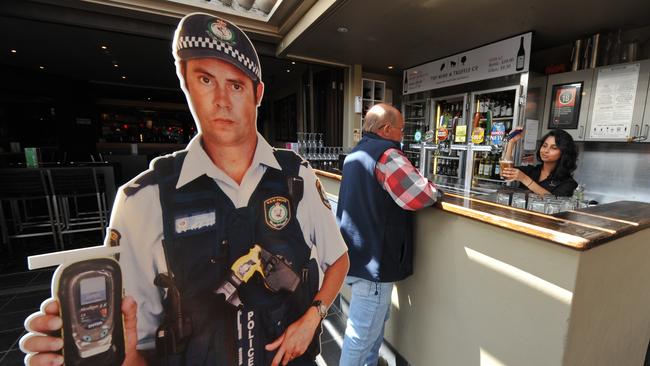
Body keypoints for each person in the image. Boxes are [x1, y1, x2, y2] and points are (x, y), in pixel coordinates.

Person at [20, 13, 349, 366]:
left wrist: (313, 316)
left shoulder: (295, 176)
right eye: (206, 80)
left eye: (236, 85)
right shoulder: (143, 199)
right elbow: (135, 350)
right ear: (186, 85)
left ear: (258, 94)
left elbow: (339, 258)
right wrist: (107, 355)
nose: (222, 100)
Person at [336, 103, 441, 366]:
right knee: (361, 334)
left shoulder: (355, 154)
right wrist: (436, 190)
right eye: (401, 130)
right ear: (385, 129)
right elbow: (419, 195)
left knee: (370, 328)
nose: (402, 136)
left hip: (356, 254)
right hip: (375, 259)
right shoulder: (387, 155)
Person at [501, 128, 578, 196]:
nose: (546, 150)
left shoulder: (568, 183)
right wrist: (511, 142)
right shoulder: (531, 171)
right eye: (544, 146)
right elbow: (504, 172)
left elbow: (554, 201)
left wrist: (524, 179)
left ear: (564, 153)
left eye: (553, 148)